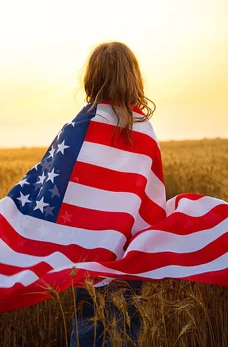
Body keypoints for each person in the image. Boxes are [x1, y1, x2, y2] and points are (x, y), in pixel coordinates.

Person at [69, 41, 155, 346]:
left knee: (87, 326)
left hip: (86, 251)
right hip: (130, 251)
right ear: (133, 77)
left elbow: (61, 187)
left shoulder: (80, 126)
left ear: (91, 78)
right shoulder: (143, 128)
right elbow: (151, 195)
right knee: (126, 330)